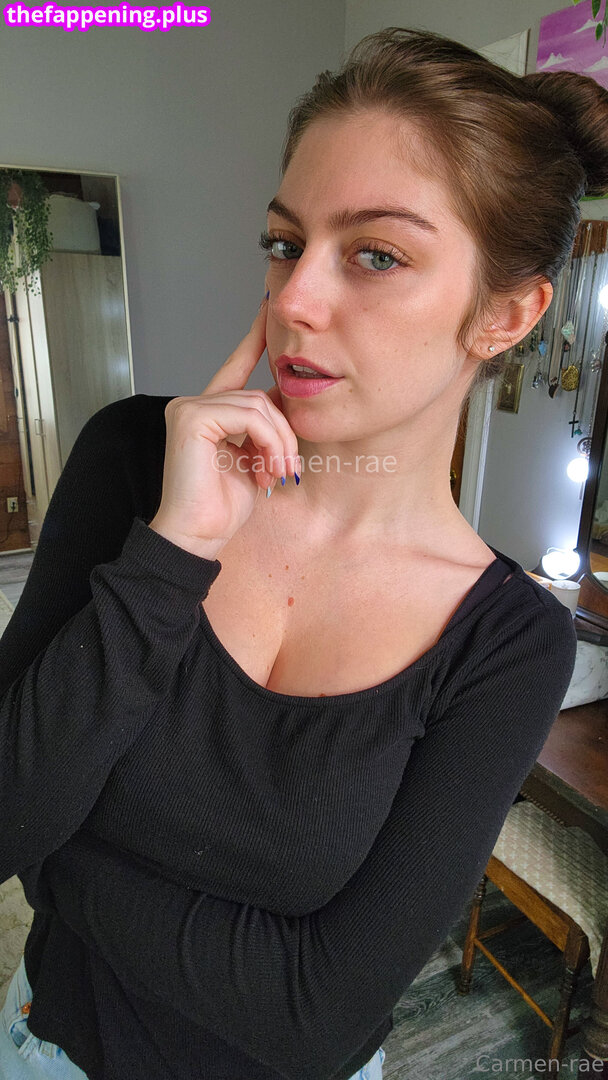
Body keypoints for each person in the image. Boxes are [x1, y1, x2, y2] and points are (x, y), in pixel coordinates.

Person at [0, 24, 603, 1080]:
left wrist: (59, 862)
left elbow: (316, 1015)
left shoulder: (509, 645)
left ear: (505, 314)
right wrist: (173, 554)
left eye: (376, 254)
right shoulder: (136, 461)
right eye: (285, 243)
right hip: (46, 1047)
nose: (293, 301)